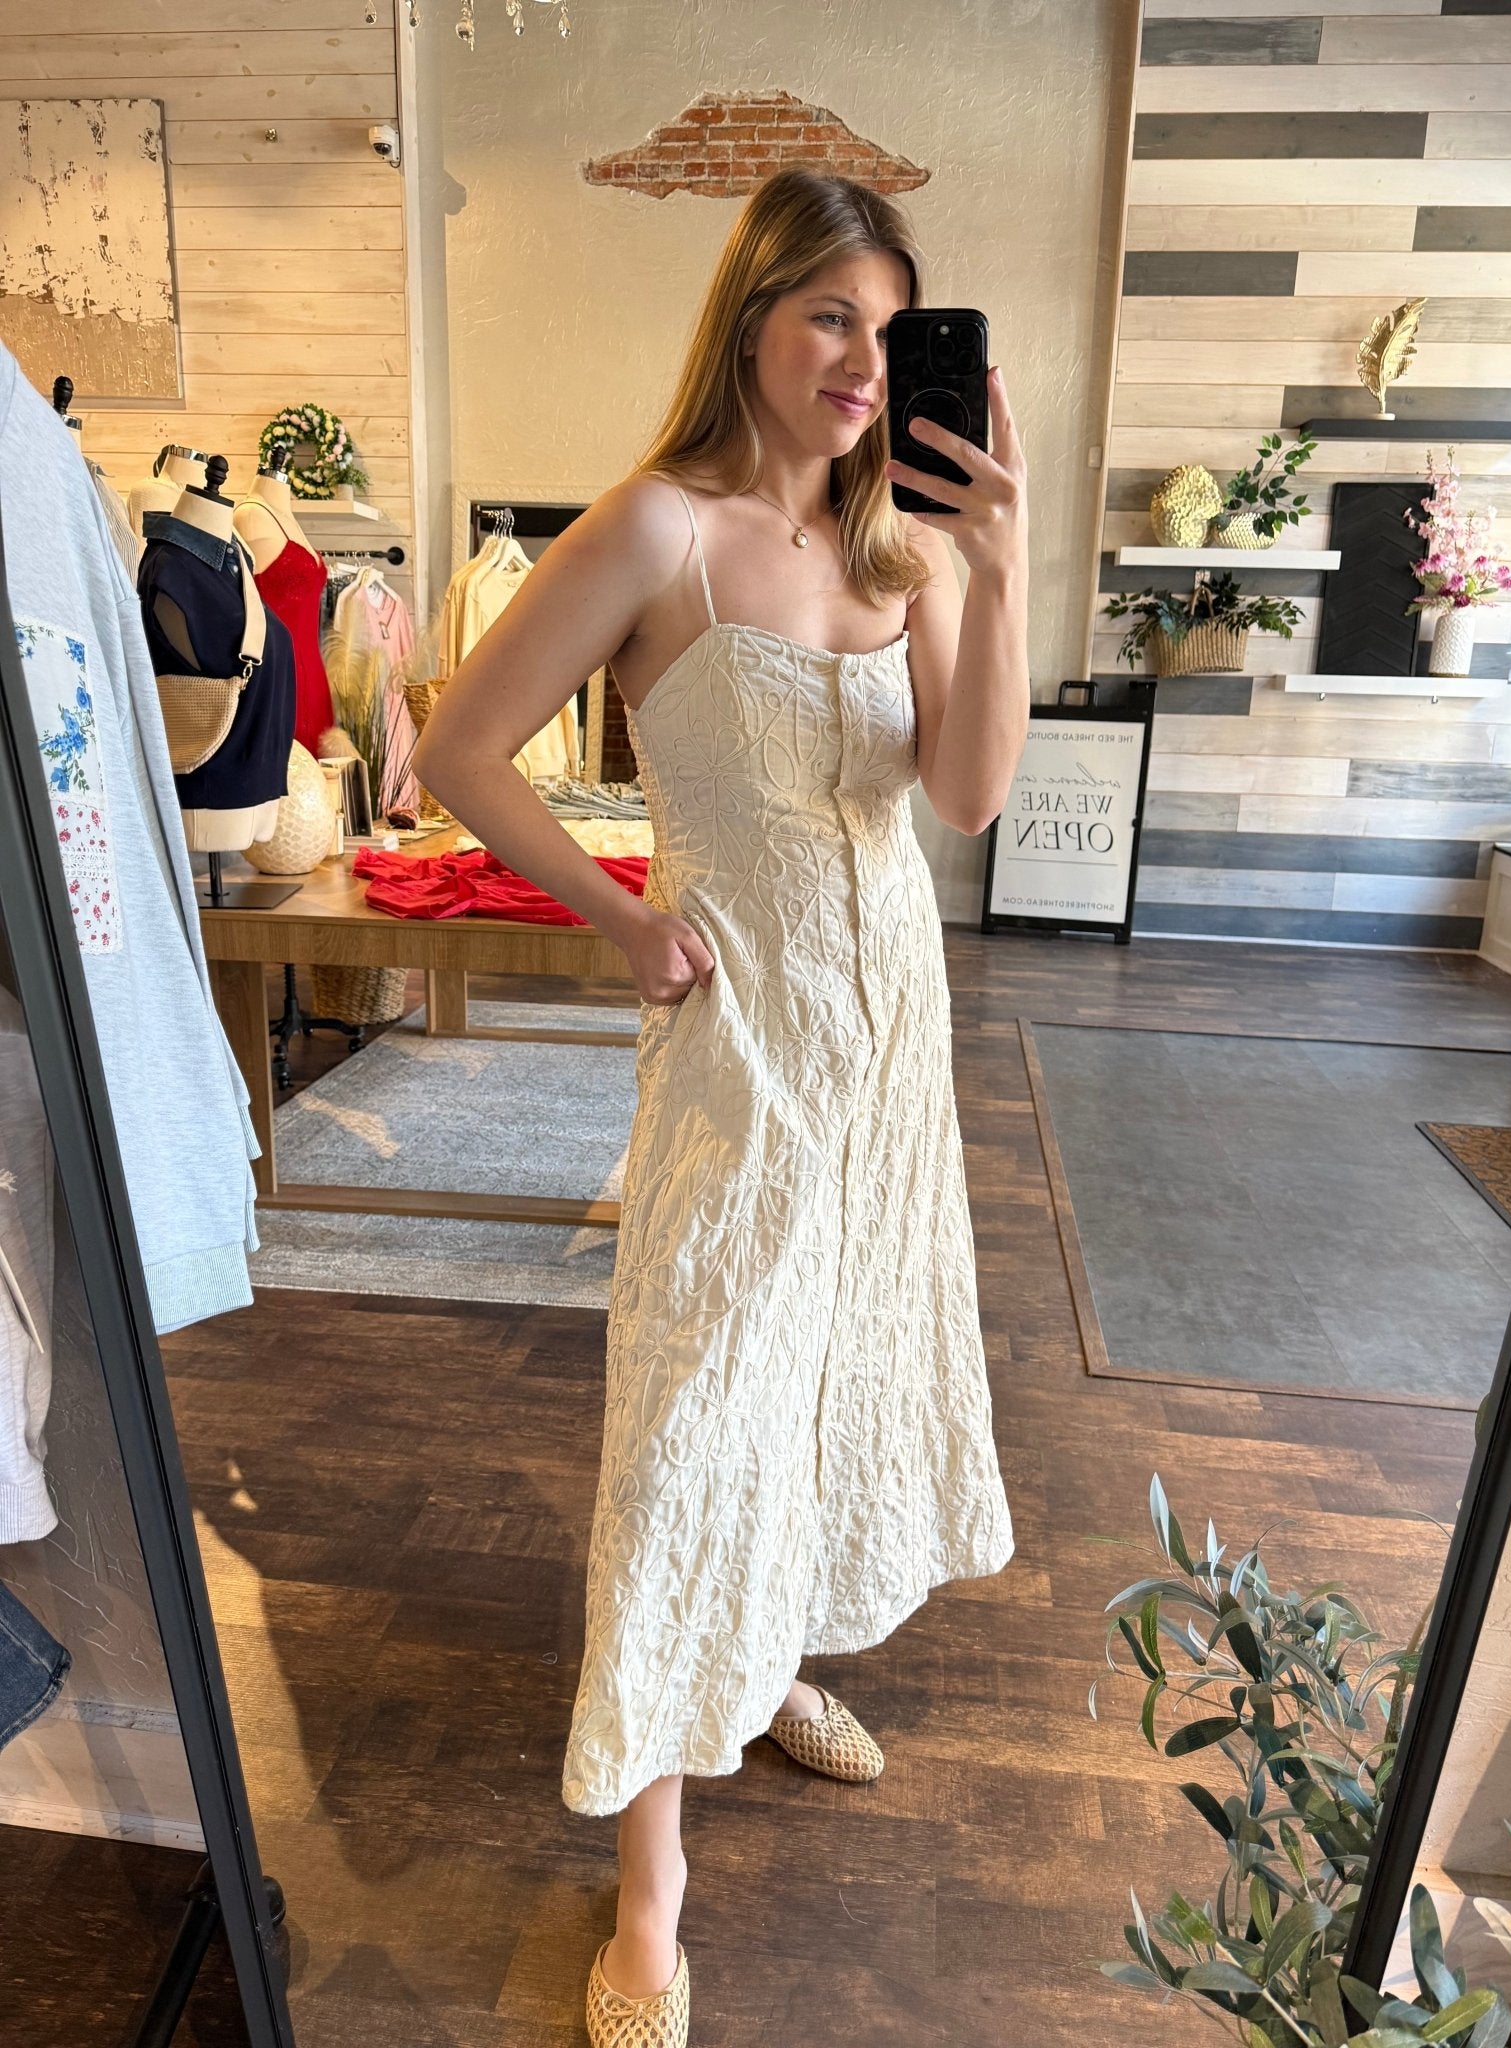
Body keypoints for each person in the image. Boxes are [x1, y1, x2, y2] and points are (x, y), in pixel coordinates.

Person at [412, 165, 1030, 2047]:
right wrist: (617, 918)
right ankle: (650, 1895)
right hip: (739, 1059)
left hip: (888, 1052)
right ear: (754, 316)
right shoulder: (659, 531)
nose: (864, 361)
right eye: (831, 315)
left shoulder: (904, 550)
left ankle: (761, 1672)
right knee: (694, 1422)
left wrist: (998, 568)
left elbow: (968, 797)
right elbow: (457, 745)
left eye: (891, 327)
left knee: (833, 1373)